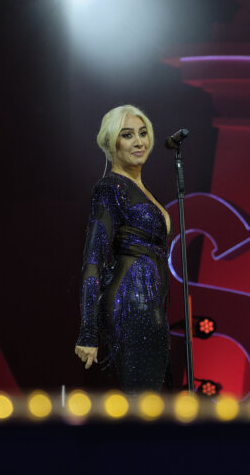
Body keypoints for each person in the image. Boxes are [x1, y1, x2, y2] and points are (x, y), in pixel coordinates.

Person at [74, 105, 172, 393]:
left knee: (153, 406)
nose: (139, 141)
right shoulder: (110, 188)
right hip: (130, 306)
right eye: (127, 135)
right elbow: (92, 260)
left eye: (143, 133)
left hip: (152, 307)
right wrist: (88, 332)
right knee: (143, 406)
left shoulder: (142, 189)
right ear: (110, 142)